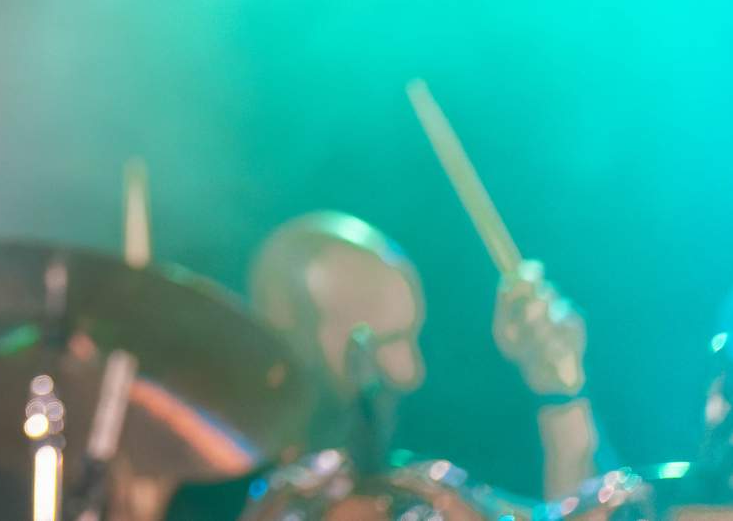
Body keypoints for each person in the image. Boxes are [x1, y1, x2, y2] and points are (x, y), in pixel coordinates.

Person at [225, 212, 603, 515]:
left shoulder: (415, 491)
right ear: (298, 344)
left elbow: (566, 514)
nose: (412, 373)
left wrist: (560, 393)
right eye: (387, 342)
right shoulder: (219, 481)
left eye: (412, 336)